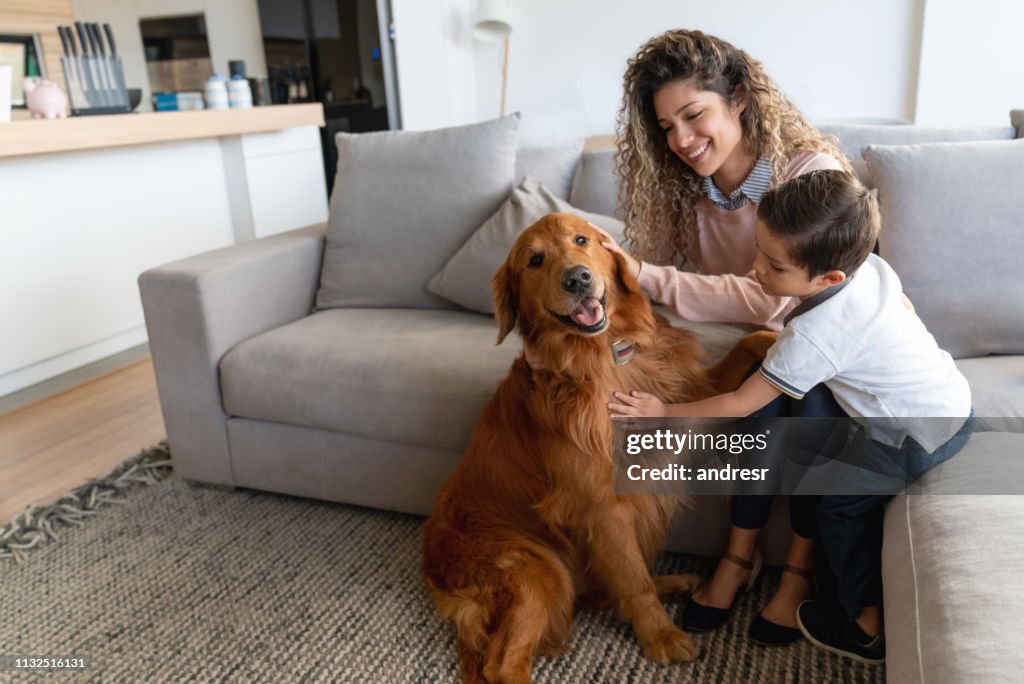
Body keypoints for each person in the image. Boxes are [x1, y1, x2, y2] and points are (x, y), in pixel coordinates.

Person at [609, 169, 974, 663]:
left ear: (829, 279)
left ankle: (865, 623)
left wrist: (663, 411)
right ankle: (757, 564)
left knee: (840, 511)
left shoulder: (815, 337)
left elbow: (740, 402)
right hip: (952, 398)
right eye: (759, 250)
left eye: (774, 266)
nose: (757, 269)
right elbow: (902, 304)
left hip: (911, 432)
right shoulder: (871, 268)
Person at [594, 28, 851, 645]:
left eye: (693, 114)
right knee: (748, 386)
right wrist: (617, 347)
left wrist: (653, 277)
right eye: (665, 127)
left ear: (738, 98)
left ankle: (791, 575)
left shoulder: (809, 174)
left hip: (826, 348)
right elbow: (643, 294)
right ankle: (739, 560)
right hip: (754, 350)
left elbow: (776, 298)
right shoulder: (679, 191)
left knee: (801, 404)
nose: (682, 140)